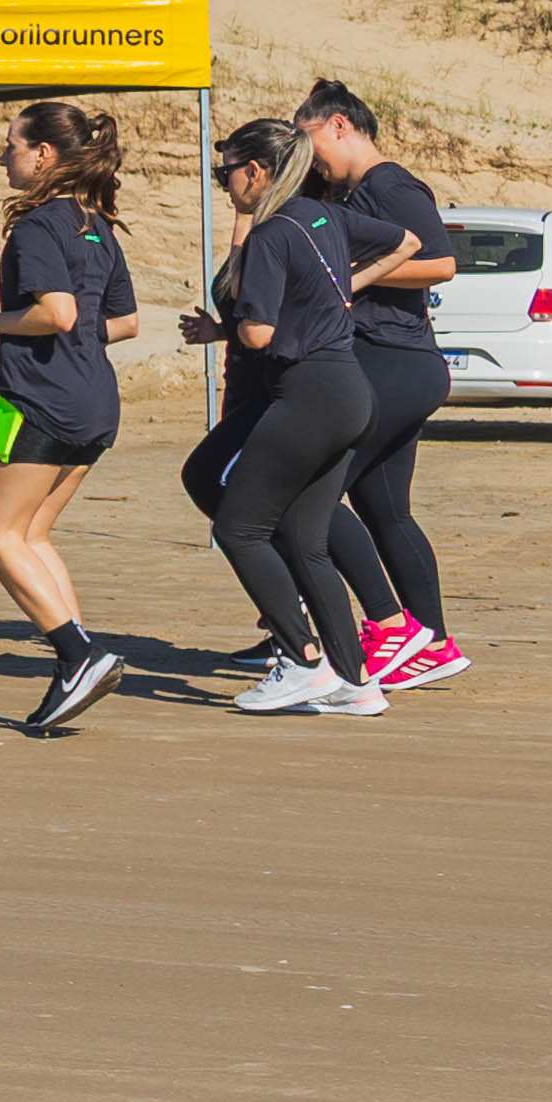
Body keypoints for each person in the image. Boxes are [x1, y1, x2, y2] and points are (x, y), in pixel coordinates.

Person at [181, 121, 384, 716]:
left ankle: (301, 660)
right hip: (348, 388)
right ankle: (355, 681)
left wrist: (240, 325)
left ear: (258, 172)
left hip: (308, 395)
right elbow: (403, 241)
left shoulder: (271, 234)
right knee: (304, 539)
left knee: (239, 529)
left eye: (227, 173)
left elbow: (260, 331)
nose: (224, 184)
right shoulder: (323, 216)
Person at [0, 100, 140, 731]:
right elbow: (121, 323)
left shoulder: (38, 225)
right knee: (32, 535)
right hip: (92, 398)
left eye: (12, 144)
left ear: (43, 155)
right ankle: (77, 660)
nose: (4, 155)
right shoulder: (96, 223)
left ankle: (77, 654)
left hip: (41, 401)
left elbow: (60, 313)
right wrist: (26, 336)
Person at [294, 81, 468, 691]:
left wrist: (354, 278)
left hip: (391, 360)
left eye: (309, 138)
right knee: (385, 510)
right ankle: (434, 642)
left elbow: (443, 262)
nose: (306, 153)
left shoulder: (389, 185)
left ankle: (376, 629)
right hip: (395, 361)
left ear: (339, 126)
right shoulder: (350, 191)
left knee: (312, 495)